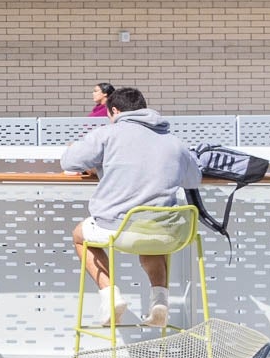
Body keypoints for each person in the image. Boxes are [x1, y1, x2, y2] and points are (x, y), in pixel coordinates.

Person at [60, 85, 201, 329]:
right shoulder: (174, 141)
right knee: (151, 239)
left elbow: (70, 162)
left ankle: (110, 295)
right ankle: (160, 302)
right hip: (166, 229)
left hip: (119, 228)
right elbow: (193, 180)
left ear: (114, 110)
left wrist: (86, 156)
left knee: (79, 236)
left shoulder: (107, 134)